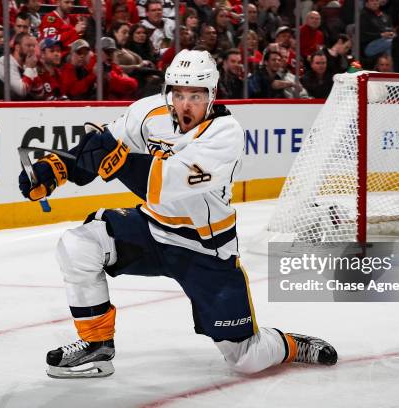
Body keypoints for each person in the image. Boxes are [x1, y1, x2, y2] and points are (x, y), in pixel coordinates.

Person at [18, 49, 338, 378]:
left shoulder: (225, 135)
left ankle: (292, 345)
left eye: (196, 96)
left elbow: (165, 183)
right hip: (153, 230)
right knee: (78, 245)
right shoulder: (148, 112)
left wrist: (117, 162)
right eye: (179, 94)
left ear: (212, 95)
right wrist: (54, 169)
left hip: (205, 248)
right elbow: (98, 145)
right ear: (168, 92)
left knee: (246, 358)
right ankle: (96, 347)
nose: (186, 104)